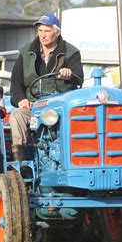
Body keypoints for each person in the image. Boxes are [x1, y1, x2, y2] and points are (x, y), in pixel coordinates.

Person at [9, 12, 84, 161]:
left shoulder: (71, 52)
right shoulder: (26, 52)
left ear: (57, 32)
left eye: (47, 31)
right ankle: (21, 163)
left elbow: (79, 78)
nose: (42, 35)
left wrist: (69, 74)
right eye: (40, 31)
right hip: (34, 107)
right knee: (16, 115)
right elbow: (15, 83)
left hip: (61, 108)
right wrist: (21, 100)